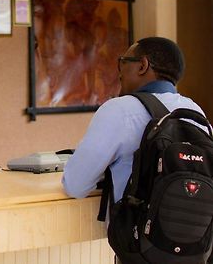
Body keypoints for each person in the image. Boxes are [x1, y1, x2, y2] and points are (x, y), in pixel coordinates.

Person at [62, 36, 206, 207]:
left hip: (138, 230)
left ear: (142, 65)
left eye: (122, 62)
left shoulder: (119, 110)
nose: (120, 72)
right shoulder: (194, 110)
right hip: (192, 227)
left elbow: (75, 185)